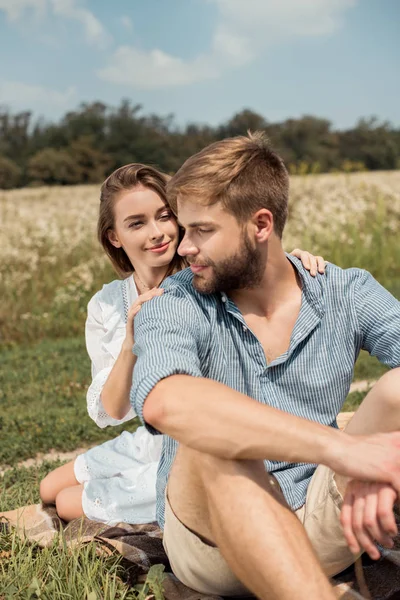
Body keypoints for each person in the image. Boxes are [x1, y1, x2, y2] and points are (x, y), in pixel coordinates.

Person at [130, 133, 400, 600]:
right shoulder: (173, 303)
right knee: (210, 436)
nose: (183, 248)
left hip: (326, 519)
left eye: (202, 230)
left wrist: (373, 467)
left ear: (260, 224)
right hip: (214, 543)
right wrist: (342, 450)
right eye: (184, 229)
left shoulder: (345, 291)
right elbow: (166, 402)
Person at [39, 162, 324, 525]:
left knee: (66, 503)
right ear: (114, 237)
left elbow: (269, 280)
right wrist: (131, 340)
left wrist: (298, 264)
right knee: (49, 486)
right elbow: (111, 411)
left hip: (200, 443)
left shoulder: (209, 277)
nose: (157, 233)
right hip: (151, 437)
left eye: (164, 216)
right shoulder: (107, 304)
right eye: (137, 223)